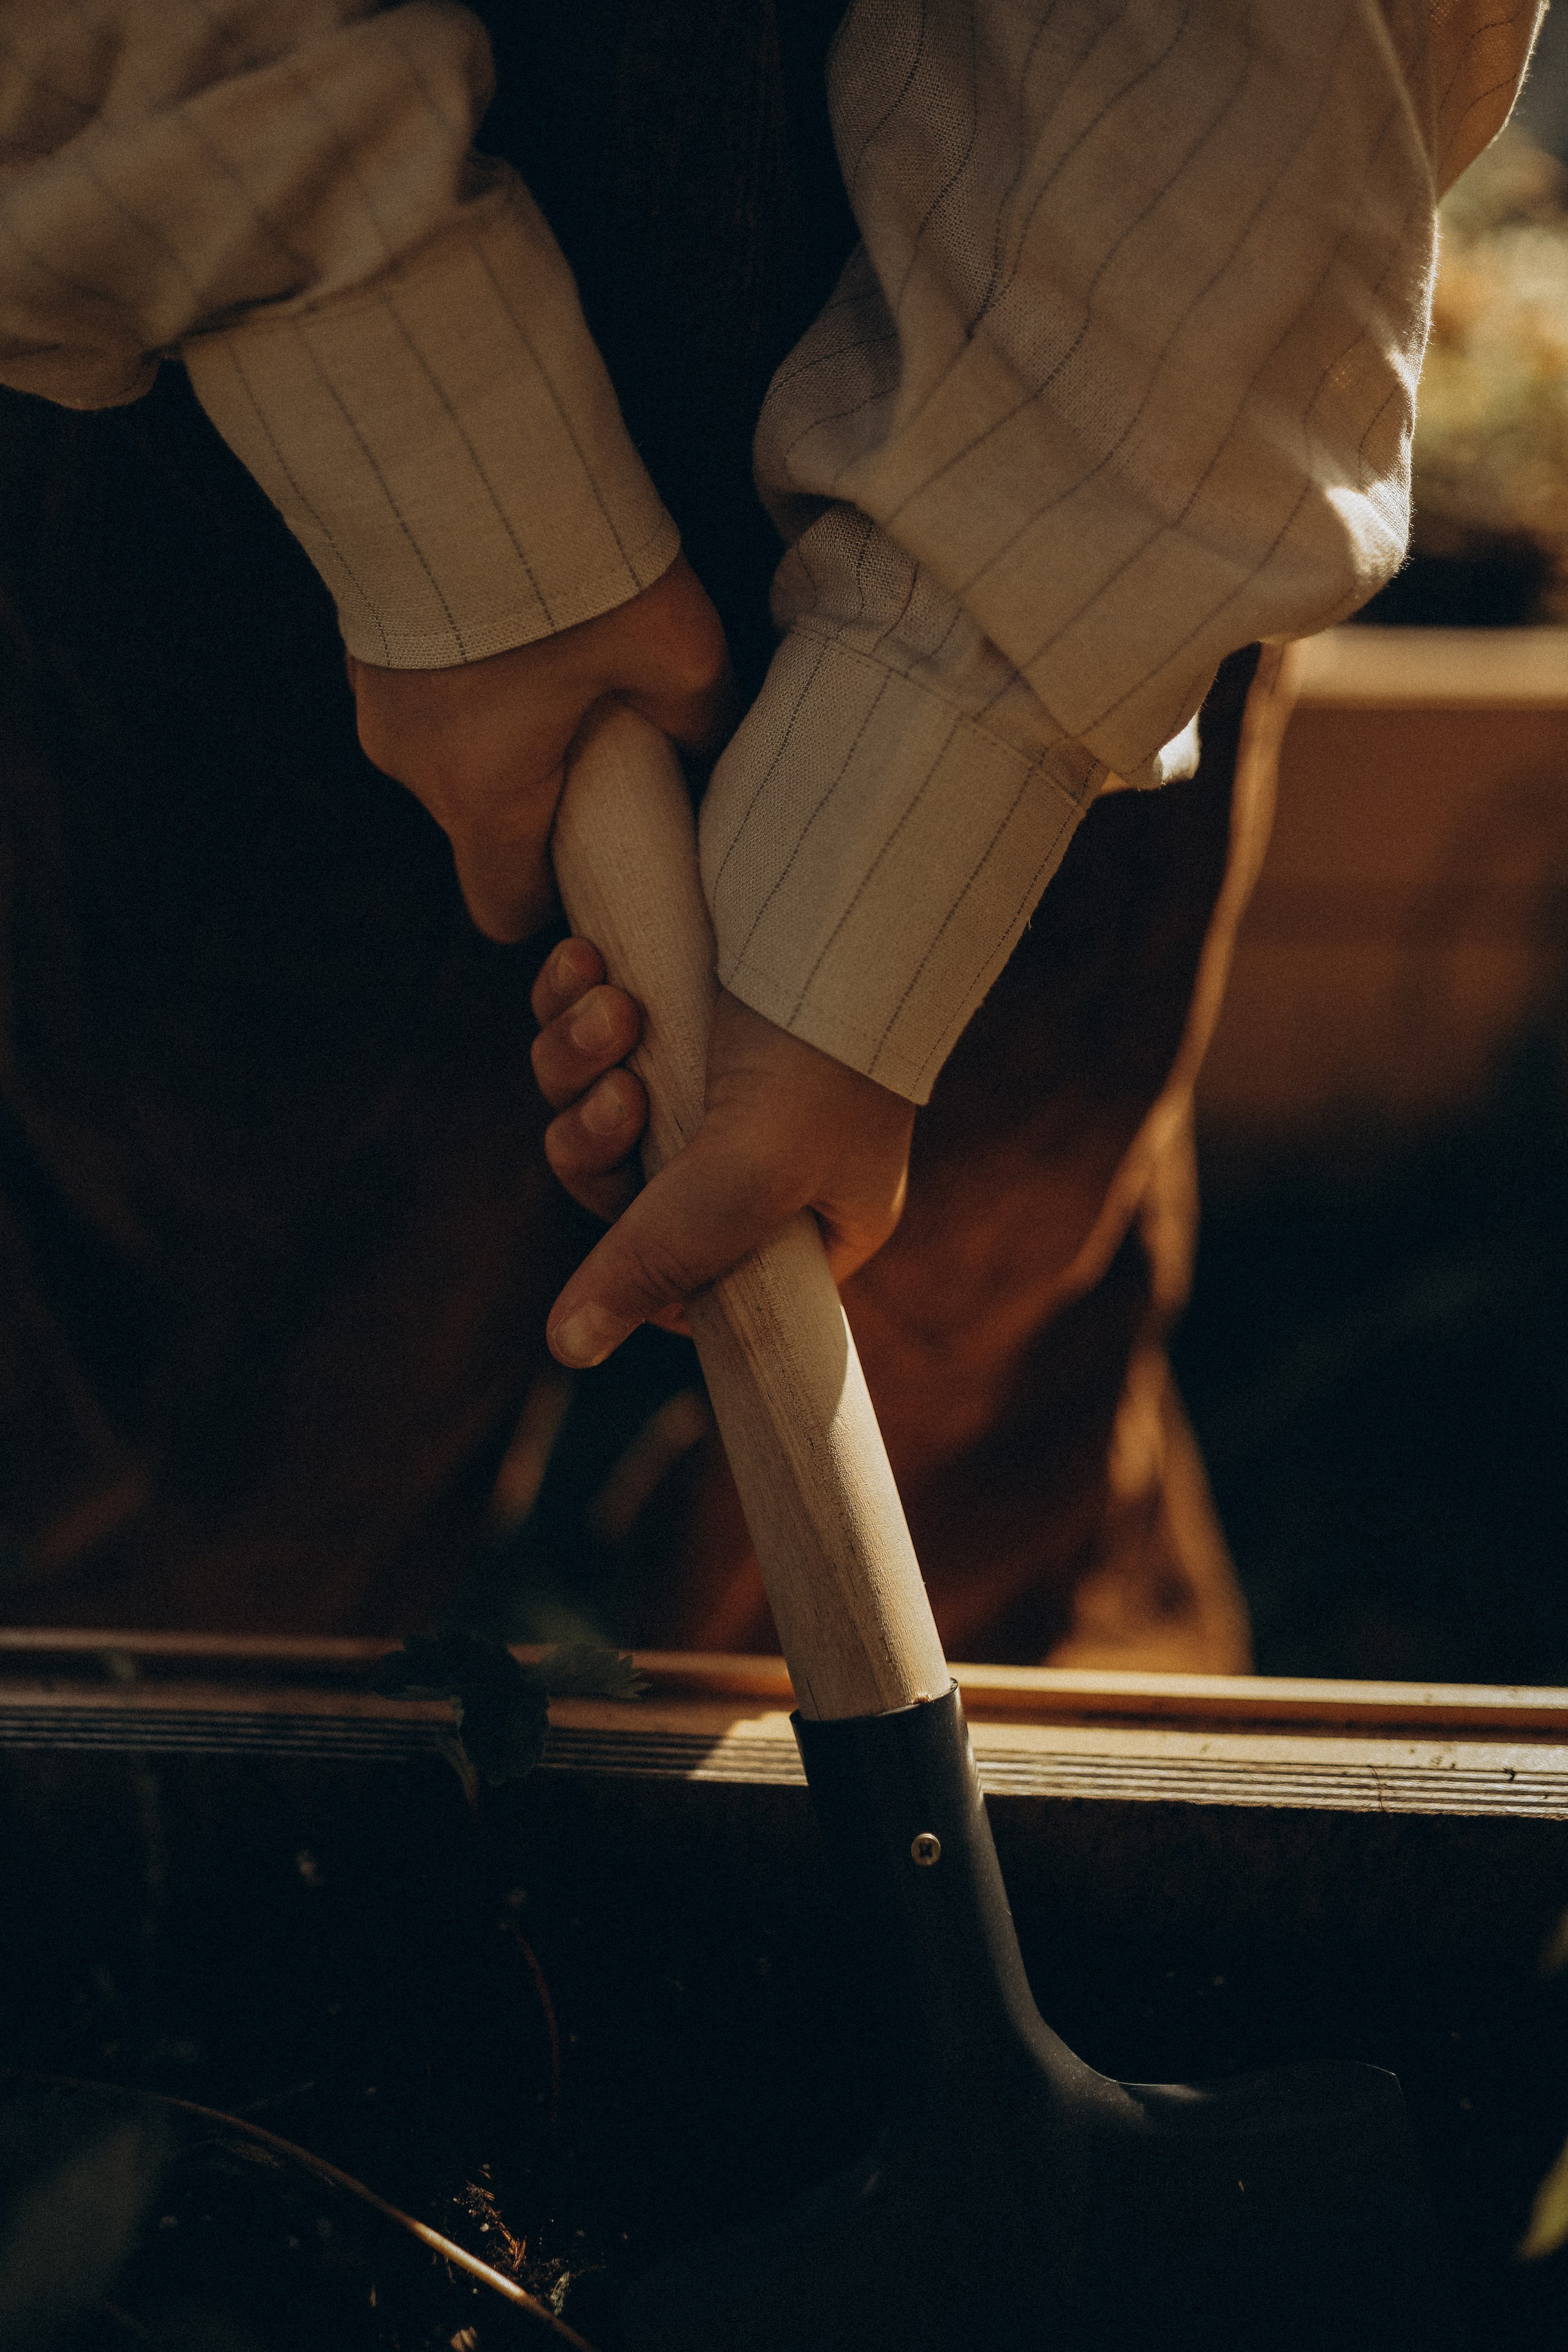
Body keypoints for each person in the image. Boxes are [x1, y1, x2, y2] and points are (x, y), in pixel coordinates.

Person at [0, 1, 1542, 1657]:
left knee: (982, 1310)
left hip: (1100, 497)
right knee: (232, 1376)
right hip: (241, 388)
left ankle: (980, 1715)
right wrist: (426, 468)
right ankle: (153, 1768)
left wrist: (912, 818)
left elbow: (1269, 82)